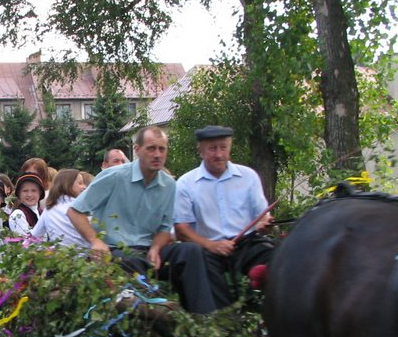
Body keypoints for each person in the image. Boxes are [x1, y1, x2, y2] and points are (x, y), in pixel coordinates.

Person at [68, 125, 217, 315]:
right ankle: (158, 316)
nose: (157, 155)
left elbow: (164, 228)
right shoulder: (114, 176)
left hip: (148, 252)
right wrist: (95, 241)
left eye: (162, 149)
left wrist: (156, 247)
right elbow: (75, 211)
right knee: (129, 261)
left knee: (191, 251)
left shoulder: (169, 185)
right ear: (137, 150)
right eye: (151, 148)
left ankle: (202, 318)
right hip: (115, 252)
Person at [174, 125, 275, 309]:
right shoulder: (186, 184)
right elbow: (181, 229)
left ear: (230, 147)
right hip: (207, 248)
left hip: (247, 244)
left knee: (277, 260)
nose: (219, 154)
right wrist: (211, 245)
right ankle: (222, 320)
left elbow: (261, 214)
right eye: (212, 149)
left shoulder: (248, 176)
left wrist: (263, 222)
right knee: (202, 272)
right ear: (200, 151)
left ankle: (269, 313)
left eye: (223, 147)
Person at [30, 169, 90, 248]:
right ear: (68, 185)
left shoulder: (49, 209)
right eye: (80, 183)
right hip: (83, 254)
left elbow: (33, 236)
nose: (84, 187)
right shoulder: (82, 208)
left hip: (57, 254)